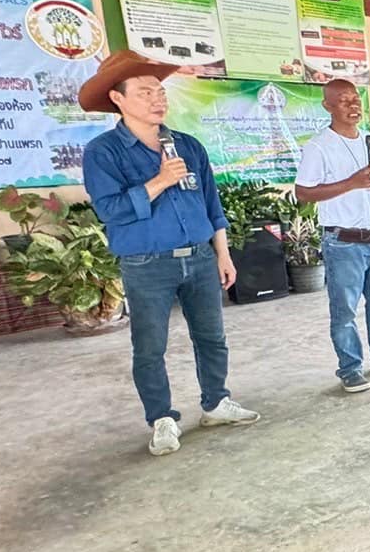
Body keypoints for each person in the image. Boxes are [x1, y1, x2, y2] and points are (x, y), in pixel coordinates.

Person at [78, 50, 259, 457]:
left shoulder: (188, 146)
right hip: (147, 264)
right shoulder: (103, 153)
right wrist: (158, 181)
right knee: (150, 345)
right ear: (118, 99)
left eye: (160, 91)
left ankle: (216, 402)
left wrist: (223, 255)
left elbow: (211, 205)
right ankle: (161, 418)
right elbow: (111, 210)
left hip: (198, 257)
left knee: (212, 337)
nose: (158, 99)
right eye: (144, 92)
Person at [293, 80, 370, 393]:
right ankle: (350, 369)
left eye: (355, 99)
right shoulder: (319, 146)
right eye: (344, 101)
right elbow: (303, 193)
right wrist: (353, 182)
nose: (353, 106)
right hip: (343, 241)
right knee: (344, 310)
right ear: (328, 106)